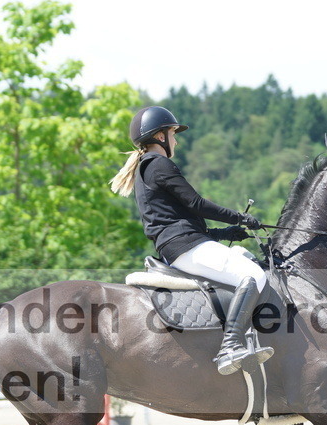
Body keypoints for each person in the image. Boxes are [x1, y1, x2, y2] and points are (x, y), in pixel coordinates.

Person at [110, 106, 274, 375]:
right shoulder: (159, 164)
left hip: (180, 245)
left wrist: (226, 234)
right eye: (173, 134)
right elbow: (196, 204)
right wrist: (239, 218)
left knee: (244, 257)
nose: (176, 140)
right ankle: (230, 346)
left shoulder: (145, 168)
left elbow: (180, 221)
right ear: (161, 136)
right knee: (254, 275)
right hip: (183, 247)